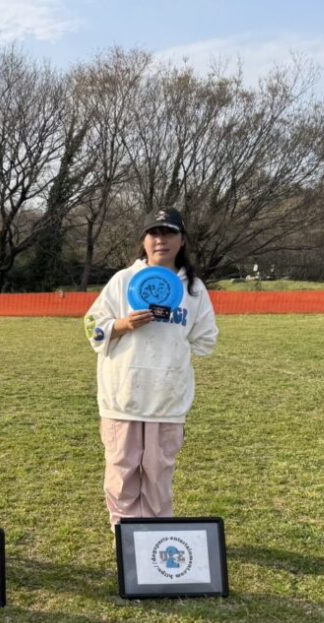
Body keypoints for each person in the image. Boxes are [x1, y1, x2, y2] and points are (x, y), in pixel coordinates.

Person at [83, 207, 218, 534]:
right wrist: (123, 324)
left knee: (159, 475)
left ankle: (157, 536)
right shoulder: (122, 281)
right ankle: (125, 538)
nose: (161, 240)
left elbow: (206, 340)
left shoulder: (194, 290)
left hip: (167, 401)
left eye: (169, 233)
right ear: (144, 241)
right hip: (122, 398)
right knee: (122, 472)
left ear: (181, 241)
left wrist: (173, 348)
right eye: (154, 233)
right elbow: (91, 326)